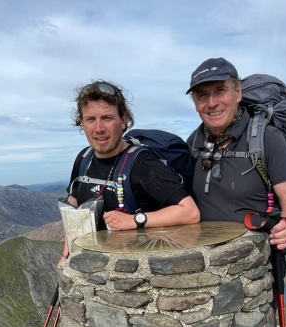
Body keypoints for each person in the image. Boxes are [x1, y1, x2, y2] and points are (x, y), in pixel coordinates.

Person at [62, 80, 200, 259]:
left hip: (136, 272)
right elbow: (74, 199)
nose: (98, 129)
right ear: (82, 123)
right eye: (90, 119)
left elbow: (190, 212)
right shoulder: (84, 158)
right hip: (92, 272)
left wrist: (135, 220)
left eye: (107, 118)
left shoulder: (142, 163)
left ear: (123, 120)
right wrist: (69, 235)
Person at [185, 58, 286, 251]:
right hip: (207, 263)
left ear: (237, 92)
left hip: (255, 264)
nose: (212, 103)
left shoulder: (267, 139)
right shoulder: (194, 142)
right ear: (196, 103)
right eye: (202, 95)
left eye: (220, 91)